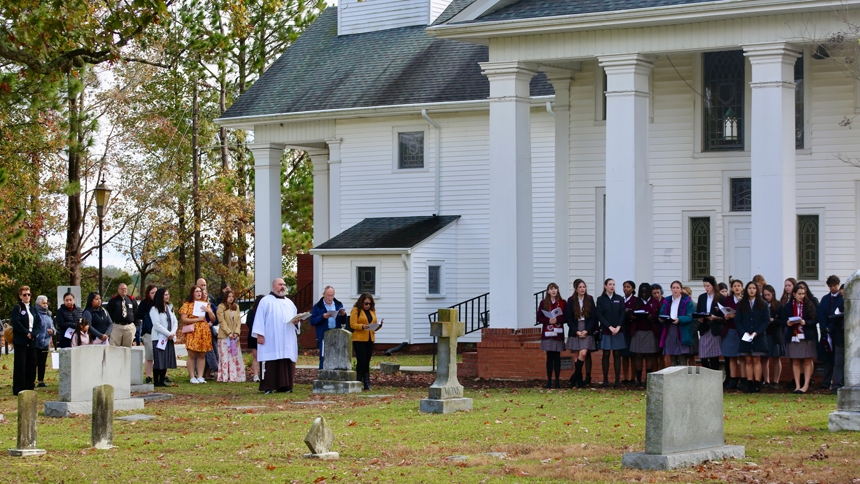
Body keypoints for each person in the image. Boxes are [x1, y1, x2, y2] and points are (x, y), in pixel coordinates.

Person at [253, 278, 301, 394]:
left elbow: (295, 318)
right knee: (271, 361)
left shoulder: (289, 303)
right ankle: (269, 386)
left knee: (286, 359)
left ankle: (285, 386)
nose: (283, 287)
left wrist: (297, 322)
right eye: (280, 284)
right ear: (274, 286)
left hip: (286, 338)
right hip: (271, 338)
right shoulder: (265, 301)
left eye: (284, 285)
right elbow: (259, 318)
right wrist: (260, 334)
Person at [780, 284, 818, 394]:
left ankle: (805, 385)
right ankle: (797, 385)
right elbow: (782, 320)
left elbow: (815, 320)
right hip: (793, 336)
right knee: (795, 361)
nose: (802, 296)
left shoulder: (809, 304)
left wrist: (805, 322)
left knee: (807, 360)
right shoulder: (788, 306)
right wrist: (787, 323)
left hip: (806, 336)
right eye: (799, 294)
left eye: (803, 294)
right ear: (794, 294)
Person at [737, 281, 769, 393]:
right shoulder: (742, 304)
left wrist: (757, 333)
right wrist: (743, 333)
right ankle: (749, 383)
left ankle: (757, 383)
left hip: (758, 336)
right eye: (749, 288)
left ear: (757, 290)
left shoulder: (763, 304)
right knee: (748, 359)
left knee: (756, 358)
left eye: (753, 288)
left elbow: (766, 321)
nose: (751, 290)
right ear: (746, 290)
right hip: (745, 335)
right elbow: (738, 321)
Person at [178, 285, 215, 384]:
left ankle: (200, 376)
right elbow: (184, 319)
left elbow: (213, 318)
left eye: (200, 291)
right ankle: (192, 376)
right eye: (197, 291)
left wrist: (208, 311)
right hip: (192, 330)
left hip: (203, 331)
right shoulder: (187, 305)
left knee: (202, 354)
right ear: (192, 293)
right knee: (191, 354)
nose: (199, 293)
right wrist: (197, 319)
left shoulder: (205, 304)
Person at [566, 279, 596, 388]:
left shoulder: (590, 299)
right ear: (576, 289)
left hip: (586, 328)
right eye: (580, 287)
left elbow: (593, 317)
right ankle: (578, 382)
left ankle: (573, 377)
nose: (582, 289)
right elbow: (568, 318)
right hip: (575, 329)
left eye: (584, 287)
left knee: (583, 353)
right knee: (576, 355)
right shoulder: (570, 301)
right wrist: (576, 331)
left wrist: (587, 330)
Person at [11, 286, 40, 395]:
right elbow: (16, 322)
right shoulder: (17, 308)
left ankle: (29, 386)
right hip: (21, 340)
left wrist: (33, 333)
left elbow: (38, 323)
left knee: (32, 364)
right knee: (21, 364)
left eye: (28, 294)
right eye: (24, 294)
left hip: (32, 340)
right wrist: (26, 332)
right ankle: (19, 388)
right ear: (20, 296)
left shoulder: (33, 308)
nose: (27, 296)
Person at [350, 292, 383, 391]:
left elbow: (373, 326)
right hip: (359, 339)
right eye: (366, 303)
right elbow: (352, 324)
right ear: (361, 302)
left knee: (367, 361)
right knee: (362, 361)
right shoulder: (356, 310)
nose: (368, 305)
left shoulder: (372, 311)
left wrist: (378, 326)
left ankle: (367, 384)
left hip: (369, 338)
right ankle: (358, 382)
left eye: (369, 303)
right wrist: (362, 326)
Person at [309, 286, 347, 369]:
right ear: (323, 294)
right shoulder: (317, 306)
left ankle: (334, 377)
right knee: (324, 358)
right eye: (328, 295)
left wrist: (343, 315)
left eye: (332, 295)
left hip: (336, 334)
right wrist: (322, 317)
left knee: (336, 357)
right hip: (323, 335)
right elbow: (312, 321)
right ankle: (322, 377)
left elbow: (344, 321)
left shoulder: (338, 304)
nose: (330, 298)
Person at [597, 278, 626, 387]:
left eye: (613, 284)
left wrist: (618, 327)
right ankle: (605, 380)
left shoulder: (619, 298)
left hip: (618, 331)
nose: (612, 286)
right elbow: (599, 315)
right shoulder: (601, 299)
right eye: (610, 284)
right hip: (606, 330)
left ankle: (617, 380)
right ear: (605, 286)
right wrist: (609, 327)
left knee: (617, 354)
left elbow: (622, 313)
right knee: (606, 353)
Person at [537, 283, 566, 389]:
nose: (554, 291)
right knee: (549, 357)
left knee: (557, 357)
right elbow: (539, 317)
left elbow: (566, 317)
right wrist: (548, 320)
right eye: (551, 289)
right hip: (548, 333)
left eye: (555, 289)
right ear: (548, 291)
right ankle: (549, 381)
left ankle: (557, 381)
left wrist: (558, 319)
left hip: (558, 332)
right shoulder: (543, 303)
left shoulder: (562, 303)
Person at [659, 281, 695, 366]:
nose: (675, 290)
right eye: (673, 288)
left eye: (677, 288)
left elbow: (690, 316)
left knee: (682, 356)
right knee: (672, 356)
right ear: (671, 289)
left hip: (682, 330)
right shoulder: (667, 300)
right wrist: (662, 318)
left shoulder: (686, 301)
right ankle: (673, 376)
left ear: (681, 289)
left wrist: (679, 319)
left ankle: (682, 377)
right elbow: (661, 313)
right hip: (670, 329)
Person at [818, 275, 844, 394]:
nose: (833, 288)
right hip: (826, 334)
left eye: (835, 286)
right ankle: (826, 382)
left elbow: (839, 316)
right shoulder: (825, 299)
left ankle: (837, 383)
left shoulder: (842, 298)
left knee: (838, 360)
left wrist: (831, 328)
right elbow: (821, 314)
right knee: (827, 359)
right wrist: (824, 328)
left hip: (837, 332)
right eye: (831, 286)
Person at [629, 282, 657, 387]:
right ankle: (638, 379)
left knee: (649, 355)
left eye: (646, 291)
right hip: (638, 331)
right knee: (638, 355)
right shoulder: (636, 301)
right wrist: (633, 316)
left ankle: (647, 380)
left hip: (650, 331)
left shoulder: (654, 302)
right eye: (642, 291)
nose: (644, 293)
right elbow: (631, 313)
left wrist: (652, 317)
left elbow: (658, 314)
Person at [149, 288, 178, 387]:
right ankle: (156, 381)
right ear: (160, 296)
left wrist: (172, 333)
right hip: (159, 338)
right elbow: (156, 325)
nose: (167, 296)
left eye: (168, 294)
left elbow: (175, 322)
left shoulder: (169, 308)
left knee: (166, 359)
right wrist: (167, 333)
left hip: (168, 338)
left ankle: (162, 380)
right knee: (159, 359)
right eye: (165, 294)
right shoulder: (154, 309)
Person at [216, 289, 245, 382]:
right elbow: (222, 321)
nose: (231, 298)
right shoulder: (221, 307)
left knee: (234, 355)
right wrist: (229, 333)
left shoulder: (236, 307)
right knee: (225, 356)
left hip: (235, 337)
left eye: (232, 296)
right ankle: (225, 376)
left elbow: (238, 321)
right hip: (225, 336)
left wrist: (236, 332)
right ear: (225, 297)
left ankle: (236, 376)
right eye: (229, 296)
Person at [696, 276, 723, 371]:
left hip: (714, 328)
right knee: (703, 356)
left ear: (713, 285)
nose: (706, 288)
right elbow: (698, 311)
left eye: (708, 286)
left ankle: (714, 377)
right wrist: (699, 318)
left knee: (714, 356)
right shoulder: (702, 297)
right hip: (704, 328)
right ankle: (707, 375)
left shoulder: (720, 297)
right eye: (704, 286)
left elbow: (724, 316)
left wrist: (716, 318)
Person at [721, 279, 743, 390]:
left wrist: (735, 316)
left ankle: (743, 380)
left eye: (739, 286)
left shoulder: (744, 300)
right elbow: (724, 312)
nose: (737, 288)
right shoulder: (728, 299)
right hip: (730, 330)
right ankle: (733, 379)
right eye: (735, 286)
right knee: (731, 357)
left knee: (742, 357)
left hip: (741, 331)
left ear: (742, 288)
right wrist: (726, 316)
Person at [761, 284, 784, 389]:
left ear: (773, 294)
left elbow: (783, 321)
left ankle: (776, 381)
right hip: (765, 334)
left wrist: (774, 320)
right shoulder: (761, 305)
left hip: (775, 334)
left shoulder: (779, 305)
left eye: (768, 295)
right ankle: (766, 380)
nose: (766, 297)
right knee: (764, 359)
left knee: (776, 358)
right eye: (765, 295)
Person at [136, 285, 158, 384]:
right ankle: (148, 375)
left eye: (156, 292)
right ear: (148, 294)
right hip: (148, 332)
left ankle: (161, 374)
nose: (154, 295)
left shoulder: (160, 303)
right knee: (149, 354)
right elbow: (138, 315)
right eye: (152, 293)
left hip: (159, 333)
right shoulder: (144, 303)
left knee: (159, 355)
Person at [107, 283, 138, 348]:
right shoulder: (113, 301)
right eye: (122, 289)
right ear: (118, 290)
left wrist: (135, 325)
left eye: (125, 289)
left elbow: (136, 312)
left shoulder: (131, 300)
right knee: (114, 348)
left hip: (129, 327)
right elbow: (108, 313)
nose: (124, 290)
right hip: (116, 327)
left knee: (127, 349)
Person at [34, 295, 55, 388]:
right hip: (36, 342)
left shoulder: (48, 314)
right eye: (43, 303)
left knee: (42, 363)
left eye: (46, 303)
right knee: (34, 363)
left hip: (45, 342)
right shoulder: (35, 314)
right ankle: (32, 380)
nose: (45, 305)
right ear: (38, 303)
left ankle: (41, 380)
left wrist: (52, 331)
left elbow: (53, 327)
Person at [619, 281, 638, 385]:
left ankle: (633, 377)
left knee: (633, 355)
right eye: (624, 287)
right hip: (623, 330)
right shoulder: (620, 300)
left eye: (628, 287)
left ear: (633, 289)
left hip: (632, 329)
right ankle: (625, 377)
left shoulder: (636, 300)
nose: (626, 289)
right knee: (624, 354)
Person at [645, 284, 666, 372]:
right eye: (654, 293)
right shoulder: (650, 302)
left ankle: (663, 372)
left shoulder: (665, 301)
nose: (657, 295)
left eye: (658, 292)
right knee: (654, 354)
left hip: (663, 330)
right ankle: (655, 374)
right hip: (653, 330)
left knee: (662, 354)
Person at [246, 295, 265, 382]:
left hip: (265, 336)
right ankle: (256, 375)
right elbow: (249, 323)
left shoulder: (266, 312)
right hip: (254, 337)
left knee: (265, 357)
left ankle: (264, 374)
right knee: (256, 356)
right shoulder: (251, 312)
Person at [202, 288, 219, 380]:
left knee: (210, 353)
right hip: (199, 332)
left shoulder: (211, 305)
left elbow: (217, 318)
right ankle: (200, 373)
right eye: (202, 293)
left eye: (205, 293)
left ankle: (208, 373)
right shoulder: (195, 305)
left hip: (209, 331)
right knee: (200, 354)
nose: (204, 295)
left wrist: (211, 323)